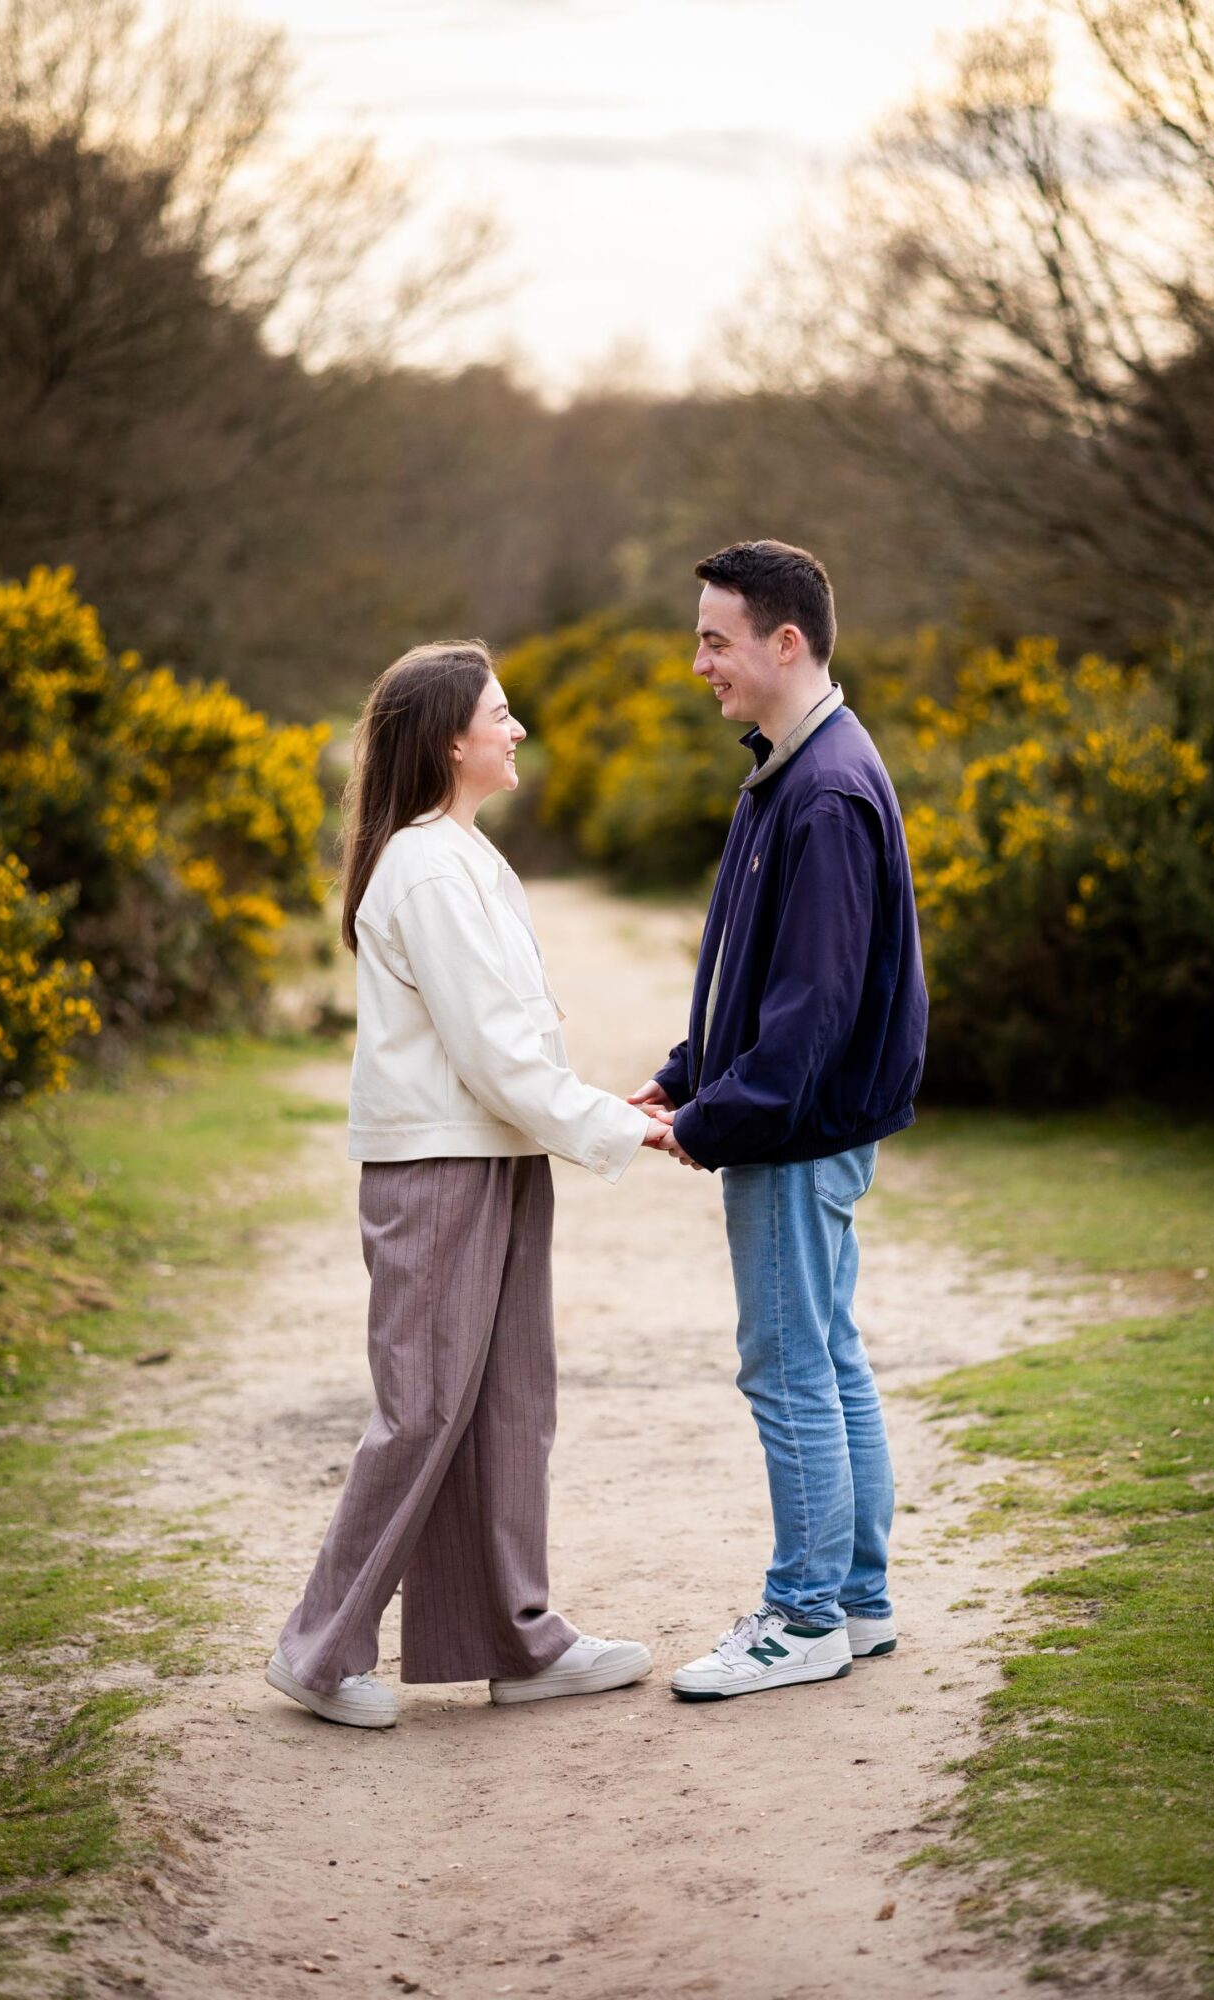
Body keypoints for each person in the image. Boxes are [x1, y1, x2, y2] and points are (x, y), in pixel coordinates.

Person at [267, 641, 664, 1728]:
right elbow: (494, 1051)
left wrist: (594, 1115)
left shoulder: (467, 858)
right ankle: (315, 1652)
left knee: (505, 1402)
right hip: (436, 1165)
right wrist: (615, 1127)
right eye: (501, 711)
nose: (517, 727)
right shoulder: (427, 868)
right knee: (424, 1407)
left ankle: (515, 1641)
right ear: (450, 738)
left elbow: (505, 1046)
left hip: (493, 1153)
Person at [631, 541, 928, 1701]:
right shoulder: (792, 768)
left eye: (715, 638)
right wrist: (687, 1069)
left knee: (788, 1361)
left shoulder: (826, 789)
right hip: (796, 1124)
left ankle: (801, 1613)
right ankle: (855, 1599)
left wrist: (716, 1119)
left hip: (795, 1135)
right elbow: (764, 977)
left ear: (783, 642)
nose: (697, 660)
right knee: (827, 1351)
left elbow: (812, 1011)